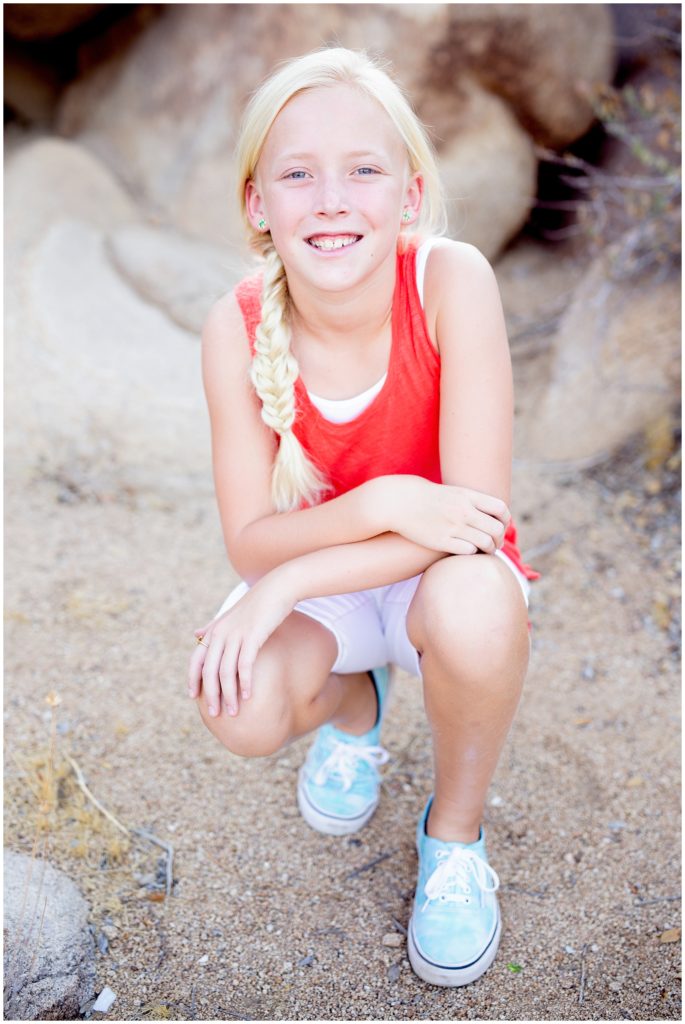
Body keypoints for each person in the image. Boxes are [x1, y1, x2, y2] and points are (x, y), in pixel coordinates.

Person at [187, 46, 538, 988]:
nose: (331, 199)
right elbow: (249, 538)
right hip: (346, 578)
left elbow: (471, 520)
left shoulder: (451, 282)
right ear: (259, 204)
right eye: (297, 174)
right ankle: (358, 703)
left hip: (436, 573)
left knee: (473, 607)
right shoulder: (235, 324)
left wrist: (291, 580)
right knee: (241, 693)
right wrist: (377, 501)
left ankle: (452, 839)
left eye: (363, 170)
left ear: (410, 196)